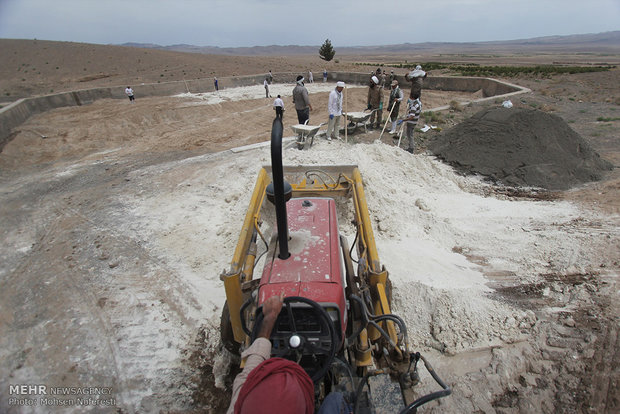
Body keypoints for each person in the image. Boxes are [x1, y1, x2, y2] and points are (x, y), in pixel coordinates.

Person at [226, 295, 351, 414]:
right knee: (337, 399)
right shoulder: (242, 397)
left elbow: (250, 371)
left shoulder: (240, 401)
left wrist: (270, 317)